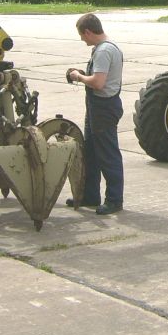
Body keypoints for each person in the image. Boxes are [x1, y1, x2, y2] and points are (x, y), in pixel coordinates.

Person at [65, 13, 125, 215]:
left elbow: (98, 83)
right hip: (96, 107)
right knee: (90, 153)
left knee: (108, 155)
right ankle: (90, 195)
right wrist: (85, 75)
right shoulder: (104, 48)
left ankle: (114, 200)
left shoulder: (104, 51)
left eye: (82, 35)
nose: (82, 40)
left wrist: (78, 76)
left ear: (88, 32)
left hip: (103, 108)